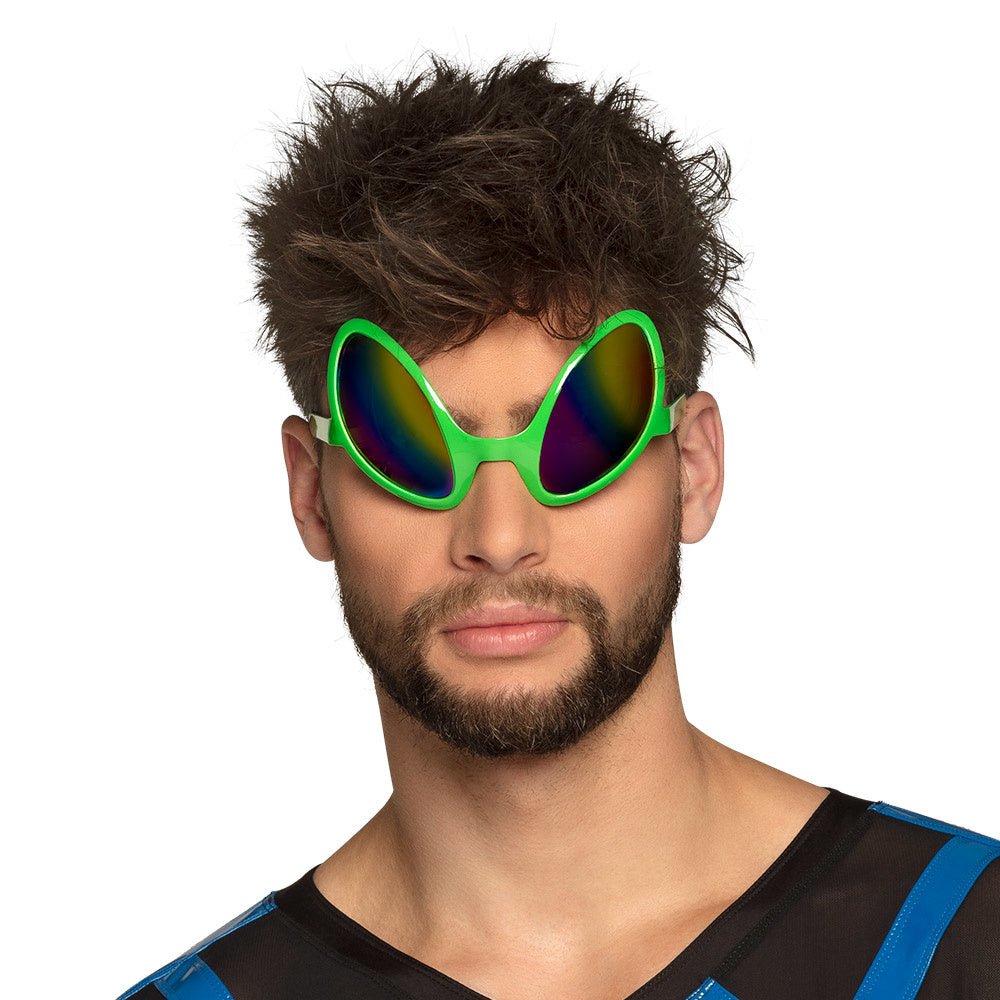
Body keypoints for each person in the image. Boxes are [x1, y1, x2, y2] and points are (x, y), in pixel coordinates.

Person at [117, 52, 999, 1000]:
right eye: (406, 444)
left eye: (581, 435)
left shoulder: (965, 942)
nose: (500, 535)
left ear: (693, 470)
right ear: (310, 492)